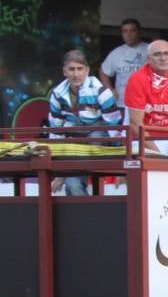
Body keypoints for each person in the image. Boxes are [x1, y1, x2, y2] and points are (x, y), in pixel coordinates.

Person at [46, 49, 120, 195]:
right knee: (72, 185)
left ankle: (77, 169)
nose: (76, 74)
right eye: (71, 69)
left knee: (96, 135)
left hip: (98, 135)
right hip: (73, 139)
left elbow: (115, 125)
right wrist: (59, 171)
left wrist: (120, 165)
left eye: (80, 69)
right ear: (64, 71)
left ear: (87, 70)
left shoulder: (101, 90)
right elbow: (56, 129)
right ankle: (83, 214)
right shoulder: (57, 94)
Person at [98, 17, 148, 111]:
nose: (128, 34)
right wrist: (110, 89)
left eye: (132, 30)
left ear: (139, 32)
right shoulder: (116, 53)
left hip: (145, 104)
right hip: (122, 104)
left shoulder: (150, 50)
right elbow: (103, 71)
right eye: (125, 31)